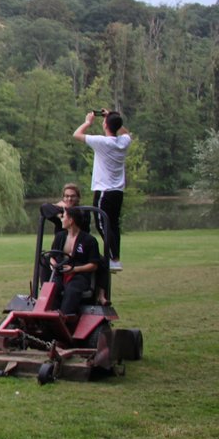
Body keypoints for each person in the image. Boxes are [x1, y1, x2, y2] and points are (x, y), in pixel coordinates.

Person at [74, 109, 130, 270]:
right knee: (113, 225)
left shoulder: (103, 142)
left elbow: (77, 134)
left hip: (104, 191)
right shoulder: (124, 142)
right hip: (117, 192)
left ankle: (113, 258)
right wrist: (113, 117)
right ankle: (116, 257)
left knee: (101, 223)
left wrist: (88, 122)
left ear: (105, 125)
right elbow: (126, 133)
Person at [47, 206, 102, 315]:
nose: (61, 219)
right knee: (51, 289)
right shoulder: (60, 237)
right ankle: (50, 317)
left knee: (72, 290)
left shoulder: (89, 240)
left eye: (63, 217)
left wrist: (74, 269)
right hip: (60, 273)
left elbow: (94, 265)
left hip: (79, 275)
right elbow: (52, 256)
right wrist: (54, 265)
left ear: (71, 220)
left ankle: (65, 317)